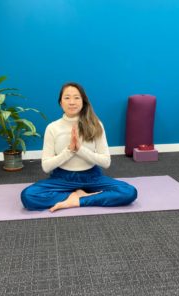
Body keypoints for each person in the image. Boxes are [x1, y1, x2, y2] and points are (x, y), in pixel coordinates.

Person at [21, 82, 137, 212]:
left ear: (83, 102)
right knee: (28, 196)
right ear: (60, 103)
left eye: (77, 97)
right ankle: (76, 196)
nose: (72, 102)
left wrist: (80, 149)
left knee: (129, 192)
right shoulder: (52, 128)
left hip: (92, 177)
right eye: (67, 98)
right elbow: (46, 167)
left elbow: (106, 162)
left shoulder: (95, 125)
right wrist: (70, 150)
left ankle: (76, 200)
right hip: (62, 178)